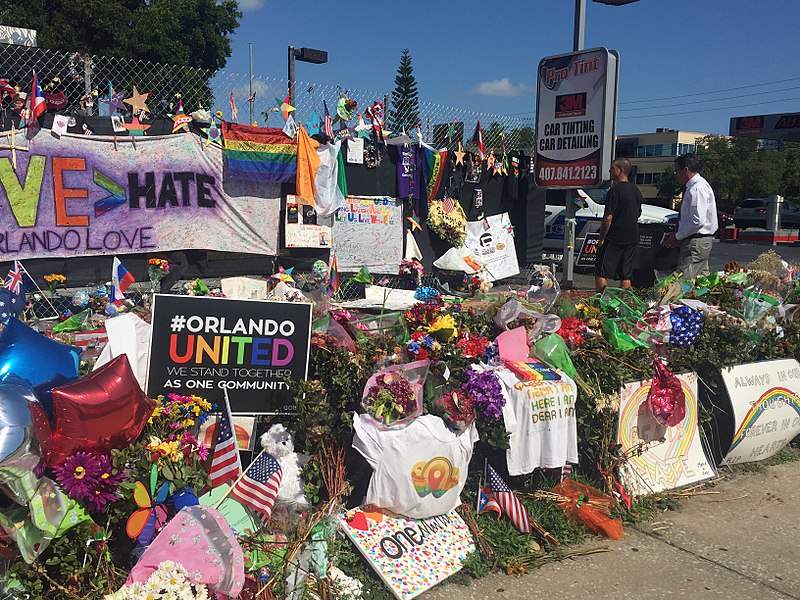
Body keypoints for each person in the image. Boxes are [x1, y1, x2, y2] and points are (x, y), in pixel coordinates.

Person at [662, 153, 718, 279]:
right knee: (701, 282)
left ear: (685, 170)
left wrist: (677, 236)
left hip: (695, 241)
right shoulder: (699, 185)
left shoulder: (696, 188)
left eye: (677, 171)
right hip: (700, 241)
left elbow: (697, 221)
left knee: (683, 282)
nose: (675, 174)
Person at [594, 158, 642, 292]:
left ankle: (599, 303)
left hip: (614, 237)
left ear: (620, 170)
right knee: (626, 274)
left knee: (601, 271)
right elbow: (638, 213)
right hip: (632, 237)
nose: (610, 171)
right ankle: (623, 304)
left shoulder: (614, 191)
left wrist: (602, 237)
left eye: (612, 168)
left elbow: (608, 217)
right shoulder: (636, 191)